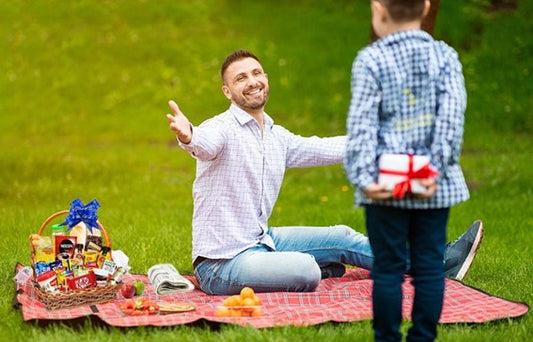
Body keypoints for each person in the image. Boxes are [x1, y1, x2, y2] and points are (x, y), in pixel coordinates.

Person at [165, 49, 482, 298]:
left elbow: (322, 147)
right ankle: (315, 266)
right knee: (306, 271)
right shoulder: (220, 128)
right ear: (227, 91)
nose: (252, 81)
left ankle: (438, 262)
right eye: (240, 78)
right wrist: (188, 135)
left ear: (266, 78)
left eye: (256, 73)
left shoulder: (276, 136)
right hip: (221, 264)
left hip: (260, 240)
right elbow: (204, 144)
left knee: (342, 236)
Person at [344, 0, 471, 342]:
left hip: (385, 185)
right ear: (427, 7)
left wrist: (365, 179)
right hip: (434, 187)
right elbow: (451, 120)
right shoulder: (445, 57)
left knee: (388, 267)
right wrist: (432, 171)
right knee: (430, 267)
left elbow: (362, 127)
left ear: (378, 9)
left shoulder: (370, 60)